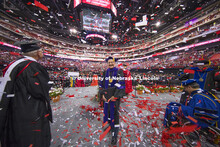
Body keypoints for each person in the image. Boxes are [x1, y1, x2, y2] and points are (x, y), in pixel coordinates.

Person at [0, 40, 53, 147]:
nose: (42, 52)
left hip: (15, 105)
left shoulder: (16, 64)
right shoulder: (32, 66)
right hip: (29, 110)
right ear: (36, 52)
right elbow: (39, 90)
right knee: (33, 138)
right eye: (41, 50)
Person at [99, 56, 125, 145]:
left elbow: (121, 84)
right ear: (107, 63)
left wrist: (116, 96)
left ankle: (114, 134)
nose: (110, 64)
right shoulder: (104, 72)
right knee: (108, 112)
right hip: (106, 97)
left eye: (112, 62)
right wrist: (102, 94)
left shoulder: (119, 72)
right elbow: (101, 84)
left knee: (115, 114)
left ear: (115, 63)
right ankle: (110, 125)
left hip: (114, 98)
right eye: (109, 62)